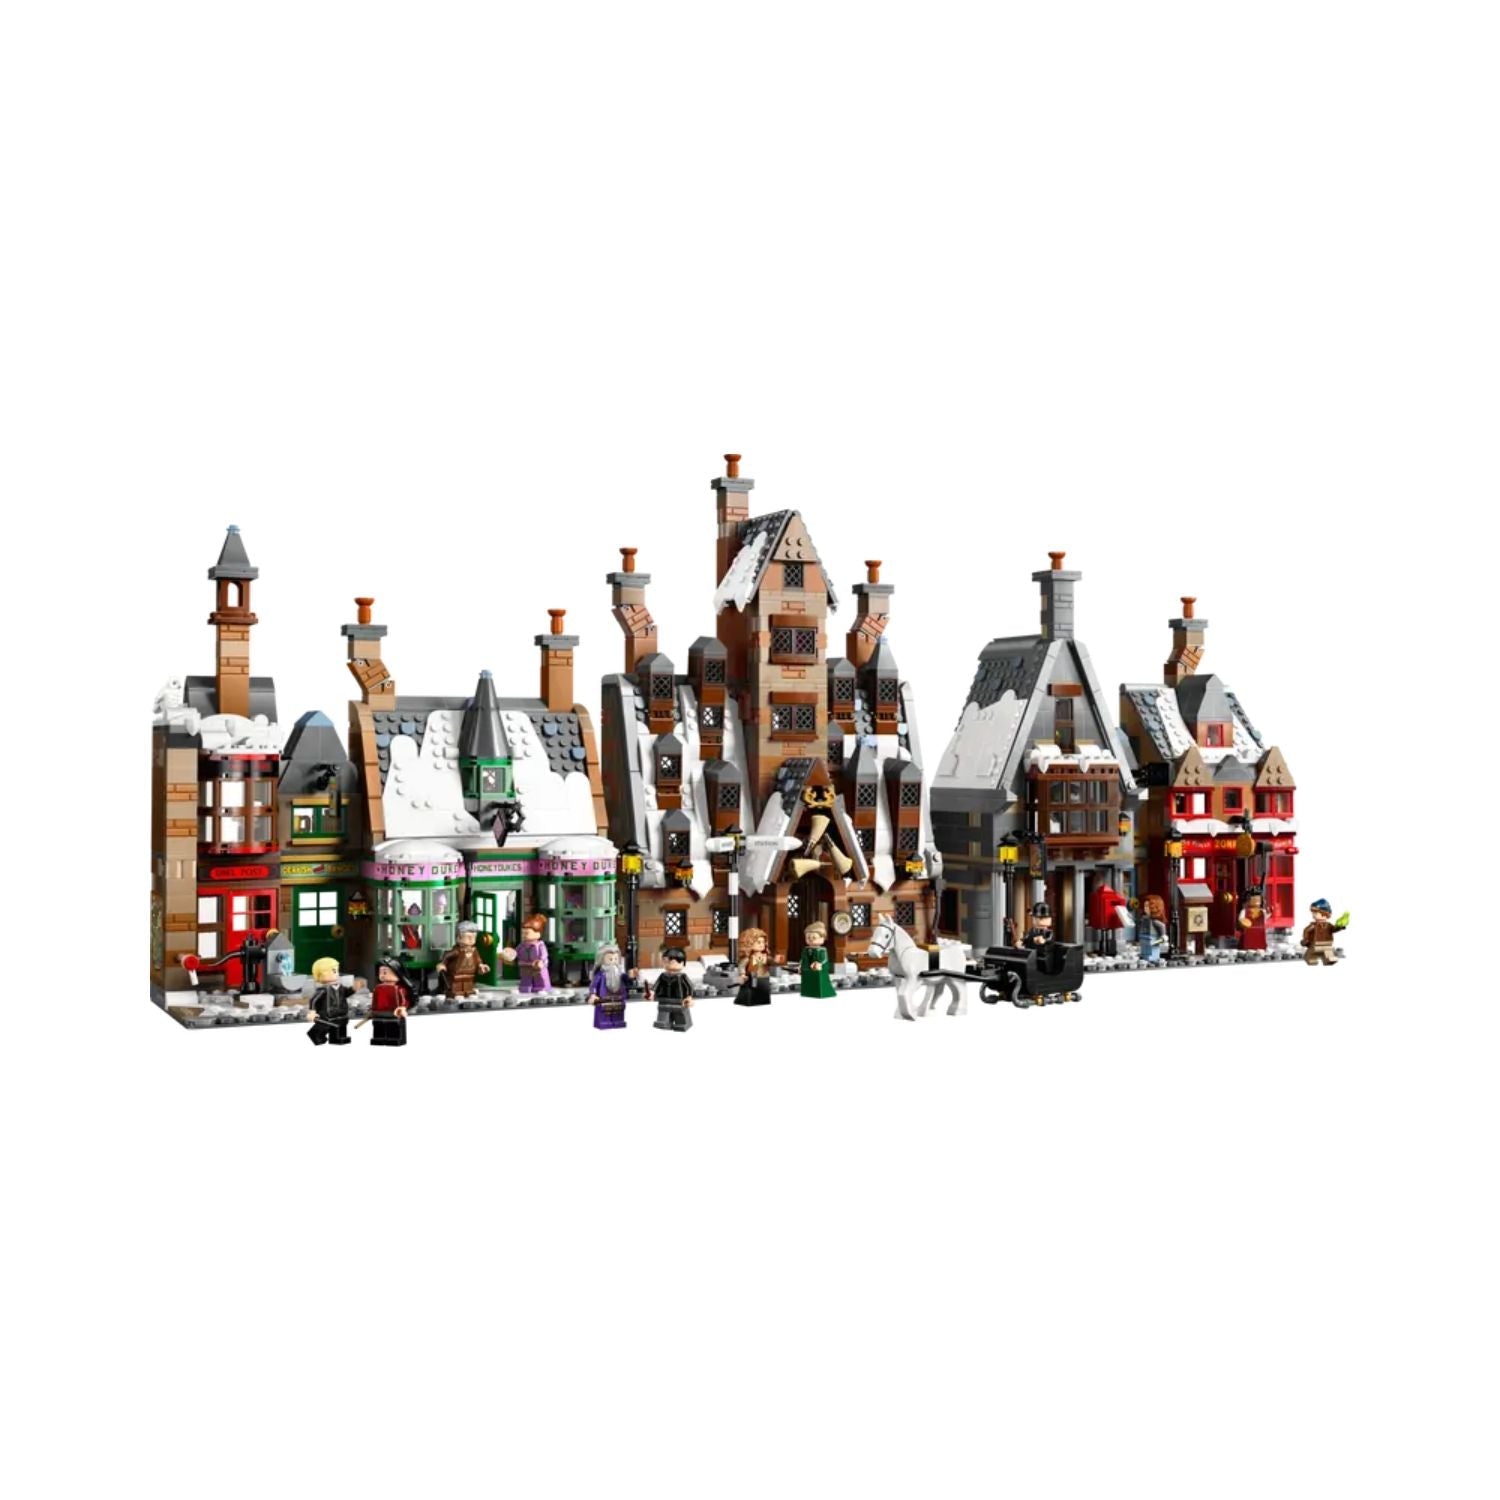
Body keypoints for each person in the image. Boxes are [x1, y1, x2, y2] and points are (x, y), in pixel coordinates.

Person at [306, 957, 354, 1046]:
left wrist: (354, 989)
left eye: (337, 971)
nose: (337, 974)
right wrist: (312, 1012)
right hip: (328, 1015)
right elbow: (314, 1000)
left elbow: (346, 993)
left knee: (342, 1025)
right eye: (334, 971)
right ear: (323, 974)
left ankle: (339, 1037)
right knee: (326, 1025)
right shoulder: (323, 990)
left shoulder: (340, 987)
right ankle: (315, 1034)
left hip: (341, 1014)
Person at [369, 957, 415, 1047]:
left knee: (393, 1026)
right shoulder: (378, 988)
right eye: (380, 972)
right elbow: (375, 1000)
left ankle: (394, 1039)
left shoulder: (398, 988)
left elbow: (404, 1000)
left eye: (385, 972)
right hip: (379, 1013)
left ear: (397, 972)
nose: (382, 975)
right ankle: (378, 1038)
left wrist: (402, 1007)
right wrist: (372, 1010)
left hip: (394, 1013)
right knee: (378, 1025)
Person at [437, 920, 489, 997]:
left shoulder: (474, 951)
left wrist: (481, 966)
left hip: (470, 974)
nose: (471, 939)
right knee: (456, 986)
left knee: (468, 985)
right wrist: (442, 964)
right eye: (468, 937)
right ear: (459, 937)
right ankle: (455, 992)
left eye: (474, 937)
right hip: (455, 975)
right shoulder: (456, 951)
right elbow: (447, 956)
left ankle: (468, 991)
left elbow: (478, 960)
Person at [589, 944, 632, 1030]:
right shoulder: (600, 975)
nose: (613, 962)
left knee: (619, 1009)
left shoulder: (619, 974)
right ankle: (604, 1022)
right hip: (604, 999)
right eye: (610, 959)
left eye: (615, 959)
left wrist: (631, 976)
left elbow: (627, 981)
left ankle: (618, 1021)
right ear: (602, 960)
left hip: (618, 998)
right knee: (604, 1009)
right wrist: (593, 994)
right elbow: (594, 985)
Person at [734, 927, 780, 1007]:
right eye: (758, 942)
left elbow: (771, 962)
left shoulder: (765, 957)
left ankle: (763, 1001)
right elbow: (741, 966)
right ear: (749, 944)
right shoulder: (748, 958)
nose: (762, 944)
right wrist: (742, 974)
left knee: (763, 993)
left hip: (764, 979)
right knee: (750, 994)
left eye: (763, 942)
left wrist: (776, 960)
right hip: (751, 978)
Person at [652, 948, 694, 1032]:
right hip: (664, 1000)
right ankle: (664, 1022)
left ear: (683, 963)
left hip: (679, 1001)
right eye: (666, 961)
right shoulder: (662, 976)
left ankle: (681, 1024)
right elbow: (656, 986)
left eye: (673, 962)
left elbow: (690, 987)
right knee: (663, 1011)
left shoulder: (682, 977)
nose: (670, 964)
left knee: (679, 1013)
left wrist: (689, 997)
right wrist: (651, 993)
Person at [512, 914, 552, 994]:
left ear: (538, 934)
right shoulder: (522, 945)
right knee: (525, 978)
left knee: (540, 977)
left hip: (537, 965)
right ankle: (524, 988)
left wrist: (541, 961)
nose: (524, 935)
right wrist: (509, 955)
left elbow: (544, 955)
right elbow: (515, 953)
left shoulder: (540, 945)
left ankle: (542, 988)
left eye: (527, 933)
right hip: (525, 965)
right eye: (522, 933)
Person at [1301, 899, 1348, 966]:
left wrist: (1340, 927)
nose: (1313, 915)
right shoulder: (1313, 925)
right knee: (1312, 954)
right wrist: (1306, 940)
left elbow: (1334, 929)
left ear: (1324, 914)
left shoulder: (1328, 925)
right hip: (1316, 945)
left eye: (1315, 913)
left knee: (1327, 953)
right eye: (1313, 913)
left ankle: (1329, 959)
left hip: (1327, 944)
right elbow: (1306, 931)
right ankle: (1312, 959)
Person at [799, 922, 836, 998]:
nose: (810, 940)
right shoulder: (806, 949)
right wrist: (800, 965)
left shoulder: (822, 950)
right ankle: (808, 992)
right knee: (807, 981)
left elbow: (824, 959)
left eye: (814, 938)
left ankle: (821, 992)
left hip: (819, 968)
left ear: (822, 938)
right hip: (807, 969)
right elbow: (803, 958)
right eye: (808, 938)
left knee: (820, 982)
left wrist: (820, 963)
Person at [1136, 894, 1168, 964]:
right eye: (1144, 906)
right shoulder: (1144, 920)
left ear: (1155, 907)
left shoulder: (1156, 922)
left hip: (1153, 952)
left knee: (1151, 960)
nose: (1145, 908)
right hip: (1144, 949)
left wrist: (1154, 943)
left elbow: (1164, 938)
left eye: (1147, 906)